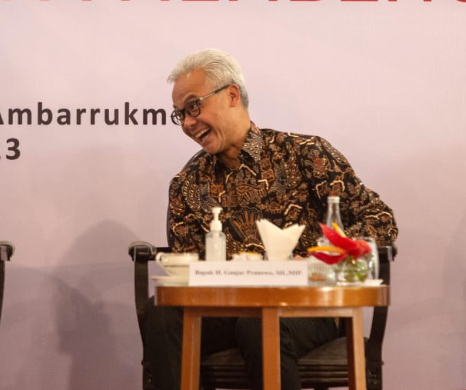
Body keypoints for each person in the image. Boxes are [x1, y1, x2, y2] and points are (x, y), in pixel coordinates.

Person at [144, 49, 398, 390]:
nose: (188, 123)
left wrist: (318, 256)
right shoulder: (187, 183)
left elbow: (379, 221)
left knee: (260, 324)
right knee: (160, 313)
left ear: (232, 95)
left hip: (305, 307)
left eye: (193, 107)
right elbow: (190, 268)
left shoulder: (306, 153)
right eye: (180, 115)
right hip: (224, 307)